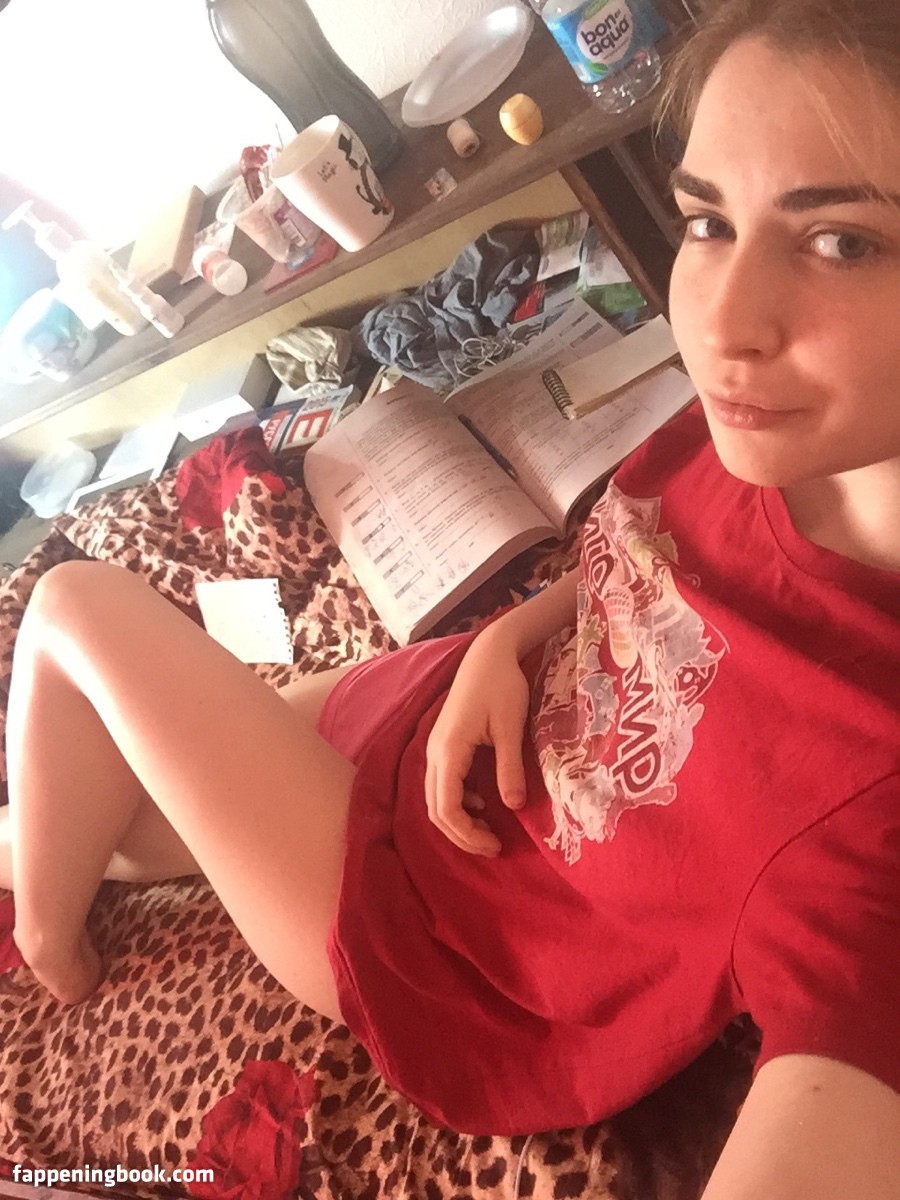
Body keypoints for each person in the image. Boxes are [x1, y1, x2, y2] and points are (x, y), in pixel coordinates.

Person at [1, 0, 900, 1192]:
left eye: (842, 242)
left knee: (74, 605)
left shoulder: (871, 784)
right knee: (111, 808)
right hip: (444, 715)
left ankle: (47, 945)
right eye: (708, 222)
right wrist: (510, 640)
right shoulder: (764, 438)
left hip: (431, 929)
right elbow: (649, 568)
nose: (722, 322)